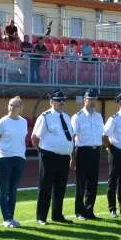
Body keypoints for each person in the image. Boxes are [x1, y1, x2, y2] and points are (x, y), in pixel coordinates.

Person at [31, 89, 74, 225]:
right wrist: (42, 151)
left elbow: (71, 138)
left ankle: (57, 215)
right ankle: (41, 217)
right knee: (45, 187)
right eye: (58, 100)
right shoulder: (45, 116)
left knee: (60, 187)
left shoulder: (66, 117)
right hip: (49, 156)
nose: (62, 102)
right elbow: (34, 137)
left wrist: (71, 155)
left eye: (63, 100)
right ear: (51, 102)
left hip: (64, 157)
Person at [71, 88, 104, 221]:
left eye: (94, 99)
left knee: (93, 183)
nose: (92, 102)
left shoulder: (98, 116)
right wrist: (72, 157)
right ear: (84, 100)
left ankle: (89, 211)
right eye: (90, 99)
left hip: (95, 151)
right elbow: (72, 138)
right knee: (81, 183)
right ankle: (79, 211)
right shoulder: (77, 117)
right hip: (82, 152)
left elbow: (101, 134)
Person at [0, 96, 27, 228]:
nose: (12, 108)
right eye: (10, 105)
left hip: (19, 158)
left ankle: (11, 218)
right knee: (4, 189)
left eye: (15, 105)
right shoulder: (2, 122)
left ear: (21, 108)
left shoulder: (24, 122)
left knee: (13, 190)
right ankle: (6, 218)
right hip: (3, 158)